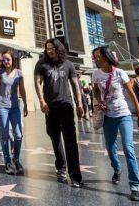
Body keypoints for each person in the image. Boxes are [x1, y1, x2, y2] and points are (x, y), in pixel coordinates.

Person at [92, 46, 139, 202]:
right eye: (95, 57)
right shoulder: (95, 74)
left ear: (107, 57)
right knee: (110, 147)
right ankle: (117, 168)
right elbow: (95, 90)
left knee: (128, 148)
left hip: (123, 114)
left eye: (98, 56)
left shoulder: (120, 73)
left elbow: (131, 94)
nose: (96, 59)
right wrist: (99, 101)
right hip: (108, 115)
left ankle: (134, 186)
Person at [34, 38, 84, 187]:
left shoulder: (68, 64)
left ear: (58, 49)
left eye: (52, 48)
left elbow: (75, 85)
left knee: (70, 140)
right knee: (54, 137)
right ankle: (61, 167)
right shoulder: (41, 64)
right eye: (47, 48)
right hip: (50, 107)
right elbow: (37, 82)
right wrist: (42, 101)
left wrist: (79, 103)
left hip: (66, 105)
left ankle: (75, 176)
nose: (49, 50)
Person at [0, 49, 28, 175]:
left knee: (18, 135)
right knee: (4, 135)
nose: (5, 62)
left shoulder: (19, 73)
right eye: (3, 60)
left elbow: (22, 89)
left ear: (12, 59)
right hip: (1, 106)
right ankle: (7, 161)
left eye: (7, 59)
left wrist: (26, 104)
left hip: (15, 107)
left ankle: (16, 159)